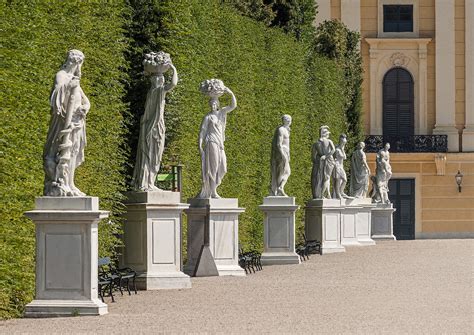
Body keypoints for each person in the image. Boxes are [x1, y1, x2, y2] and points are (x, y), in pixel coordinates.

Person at [43, 49, 89, 196]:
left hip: (77, 120)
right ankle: (60, 182)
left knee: (74, 150)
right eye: (74, 62)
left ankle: (70, 183)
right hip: (63, 120)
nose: (75, 65)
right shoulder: (61, 75)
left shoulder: (74, 79)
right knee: (62, 150)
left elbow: (85, 99)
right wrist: (69, 85)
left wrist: (85, 107)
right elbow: (56, 94)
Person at [131, 52, 178, 191]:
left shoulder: (151, 93)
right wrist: (173, 68)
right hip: (155, 127)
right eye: (161, 79)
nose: (162, 81)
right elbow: (173, 83)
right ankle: (148, 183)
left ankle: (147, 182)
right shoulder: (158, 92)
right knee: (153, 155)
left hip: (149, 126)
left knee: (151, 155)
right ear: (158, 81)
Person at [198, 83, 237, 198]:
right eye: (211, 103)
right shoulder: (208, 117)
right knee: (213, 167)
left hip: (220, 144)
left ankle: (214, 189)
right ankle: (213, 191)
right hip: (211, 142)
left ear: (218, 104)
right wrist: (200, 145)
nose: (213, 105)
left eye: (215, 103)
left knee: (223, 167)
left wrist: (230, 93)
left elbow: (233, 105)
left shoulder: (222, 113)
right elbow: (202, 131)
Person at [311, 125, 336, 199]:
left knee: (320, 177)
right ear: (325, 134)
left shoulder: (316, 143)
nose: (328, 135)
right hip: (328, 160)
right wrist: (326, 156)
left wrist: (317, 160)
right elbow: (333, 150)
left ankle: (326, 194)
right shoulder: (329, 141)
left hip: (319, 160)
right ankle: (322, 195)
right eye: (328, 133)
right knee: (326, 178)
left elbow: (313, 157)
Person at [270, 115, 292, 196]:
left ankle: (280, 188)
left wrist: (288, 154)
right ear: (283, 120)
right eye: (287, 119)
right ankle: (279, 188)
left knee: (285, 172)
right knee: (283, 171)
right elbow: (279, 144)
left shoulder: (287, 130)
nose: (289, 121)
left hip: (285, 152)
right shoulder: (281, 130)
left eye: (290, 119)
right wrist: (283, 154)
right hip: (281, 152)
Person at [332, 134, 349, 199]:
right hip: (336, 165)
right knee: (337, 180)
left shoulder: (342, 148)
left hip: (340, 166)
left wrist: (342, 149)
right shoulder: (337, 148)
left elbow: (345, 157)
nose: (344, 144)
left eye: (344, 143)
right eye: (343, 142)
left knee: (345, 179)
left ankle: (341, 191)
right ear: (340, 141)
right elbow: (343, 157)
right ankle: (338, 194)